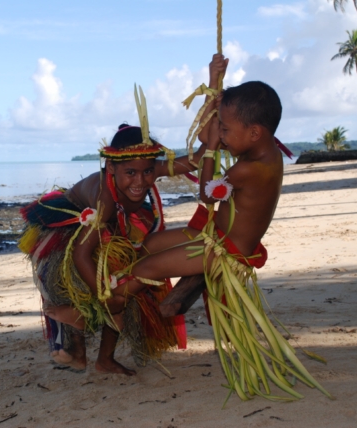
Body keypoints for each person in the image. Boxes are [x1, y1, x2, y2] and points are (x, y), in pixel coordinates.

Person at [18, 80, 223, 375]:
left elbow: (194, 159)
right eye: (130, 173)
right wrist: (105, 294)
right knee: (104, 287)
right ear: (111, 169)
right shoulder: (105, 199)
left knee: (124, 286)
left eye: (148, 171)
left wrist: (213, 85)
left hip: (108, 230)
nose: (140, 181)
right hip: (72, 230)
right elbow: (80, 254)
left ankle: (104, 359)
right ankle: (75, 338)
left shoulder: (143, 169)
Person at [107, 56, 284, 320]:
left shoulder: (249, 169)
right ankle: (134, 291)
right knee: (152, 242)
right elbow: (204, 135)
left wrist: (213, 148)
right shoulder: (263, 150)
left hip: (224, 250)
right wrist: (214, 82)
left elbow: (206, 194)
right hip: (213, 233)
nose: (221, 135)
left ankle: (113, 302)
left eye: (225, 129)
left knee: (147, 267)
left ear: (254, 132)